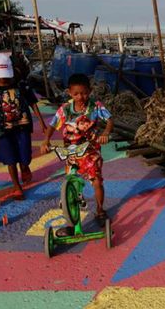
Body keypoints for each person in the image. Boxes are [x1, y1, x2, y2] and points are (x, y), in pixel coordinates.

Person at [41, 73, 113, 230]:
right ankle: (71, 220)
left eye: (84, 93)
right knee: (69, 187)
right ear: (69, 93)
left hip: (90, 151)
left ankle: (100, 211)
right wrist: (46, 141)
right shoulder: (65, 110)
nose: (81, 97)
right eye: (76, 94)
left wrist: (105, 133)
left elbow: (109, 120)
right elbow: (52, 125)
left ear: (90, 90)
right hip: (71, 153)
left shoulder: (95, 106)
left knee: (96, 181)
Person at [0, 53, 47, 199]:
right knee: (11, 159)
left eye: (6, 76)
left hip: (23, 127)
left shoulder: (22, 86)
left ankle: (24, 166)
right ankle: (17, 187)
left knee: (25, 156)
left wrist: (41, 122)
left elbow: (32, 103)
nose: (3, 80)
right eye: (0, 77)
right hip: (3, 131)